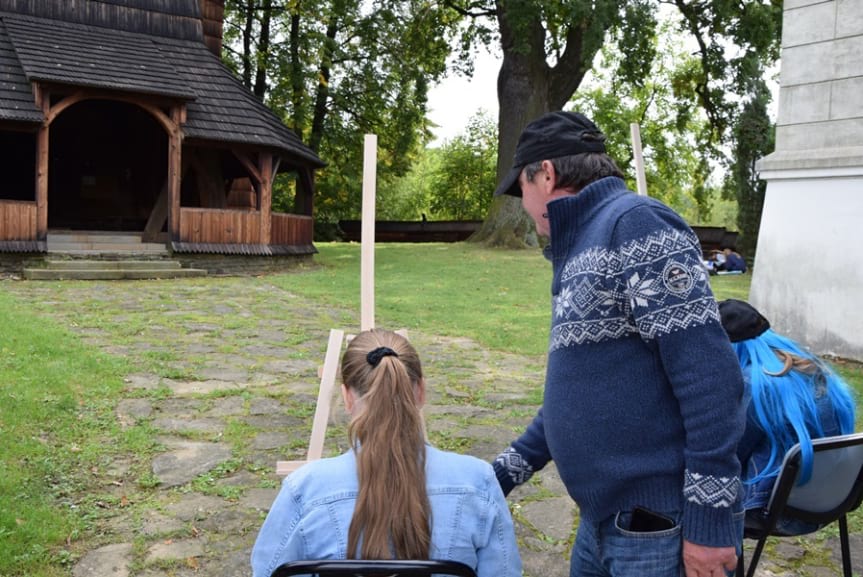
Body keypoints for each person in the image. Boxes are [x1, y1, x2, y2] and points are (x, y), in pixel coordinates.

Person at [490, 110, 746, 577]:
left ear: (545, 174)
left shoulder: (635, 225)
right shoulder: (581, 245)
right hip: (603, 522)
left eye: (519, 189)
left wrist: (709, 521)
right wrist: (500, 476)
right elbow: (580, 396)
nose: (523, 205)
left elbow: (711, 380)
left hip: (659, 529)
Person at [251, 329, 522, 577]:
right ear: (420, 392)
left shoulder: (305, 489)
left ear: (347, 397)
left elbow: (267, 570)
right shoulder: (477, 480)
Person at [718, 299, 857, 535]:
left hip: (778, 512)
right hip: (836, 499)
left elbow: (727, 457)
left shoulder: (754, 384)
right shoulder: (812, 368)